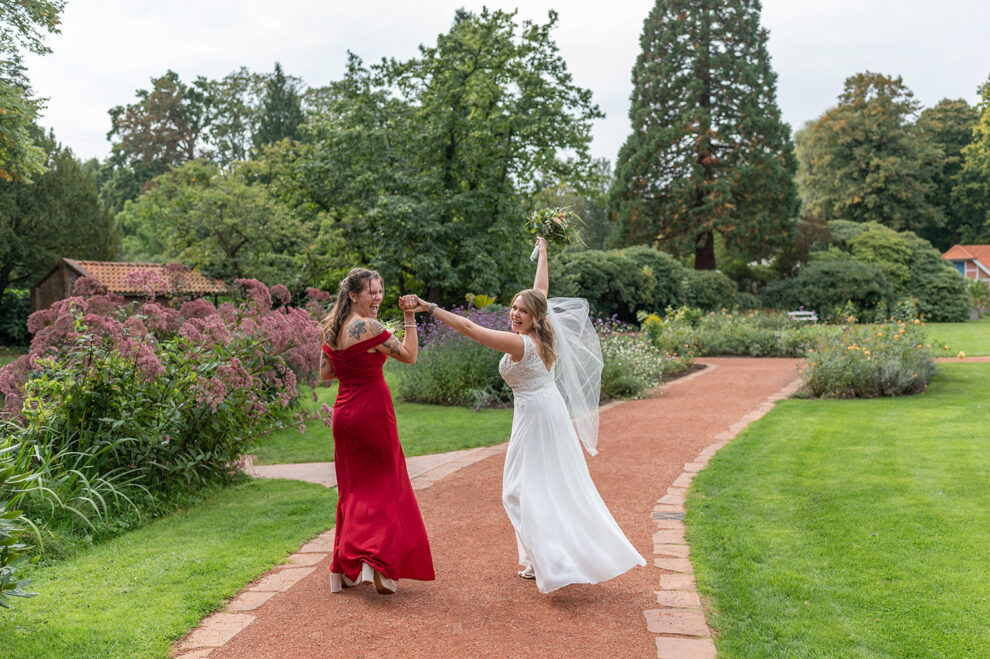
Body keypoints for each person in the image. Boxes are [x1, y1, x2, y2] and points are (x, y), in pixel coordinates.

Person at [400, 238, 645, 594]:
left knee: (519, 491)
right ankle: (538, 559)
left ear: (535, 318)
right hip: (543, 411)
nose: (515, 314)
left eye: (522, 311)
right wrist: (543, 253)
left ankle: (552, 561)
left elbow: (470, 329)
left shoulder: (521, 343)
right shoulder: (539, 334)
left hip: (538, 417)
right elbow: (540, 291)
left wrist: (429, 307)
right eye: (513, 308)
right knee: (541, 487)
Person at [320, 267, 435, 595]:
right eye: (372, 291)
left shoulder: (330, 329)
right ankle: (374, 561)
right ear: (354, 295)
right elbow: (410, 356)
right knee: (385, 485)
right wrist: (409, 317)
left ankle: (341, 569)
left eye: (380, 291)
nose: (378, 297)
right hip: (372, 412)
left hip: (343, 415)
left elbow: (326, 375)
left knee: (352, 489)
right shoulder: (369, 327)